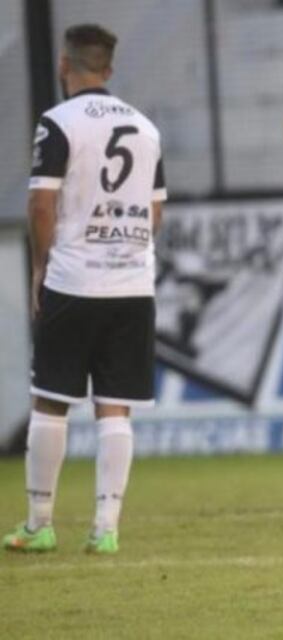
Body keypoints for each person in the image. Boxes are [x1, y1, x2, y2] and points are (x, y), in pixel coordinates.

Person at [3, 24, 166, 555]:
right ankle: (106, 529)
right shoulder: (145, 128)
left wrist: (40, 267)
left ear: (62, 66)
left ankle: (40, 523)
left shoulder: (57, 122)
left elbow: (40, 204)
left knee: (50, 399)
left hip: (74, 279)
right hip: (132, 283)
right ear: (110, 69)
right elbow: (155, 209)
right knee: (115, 407)